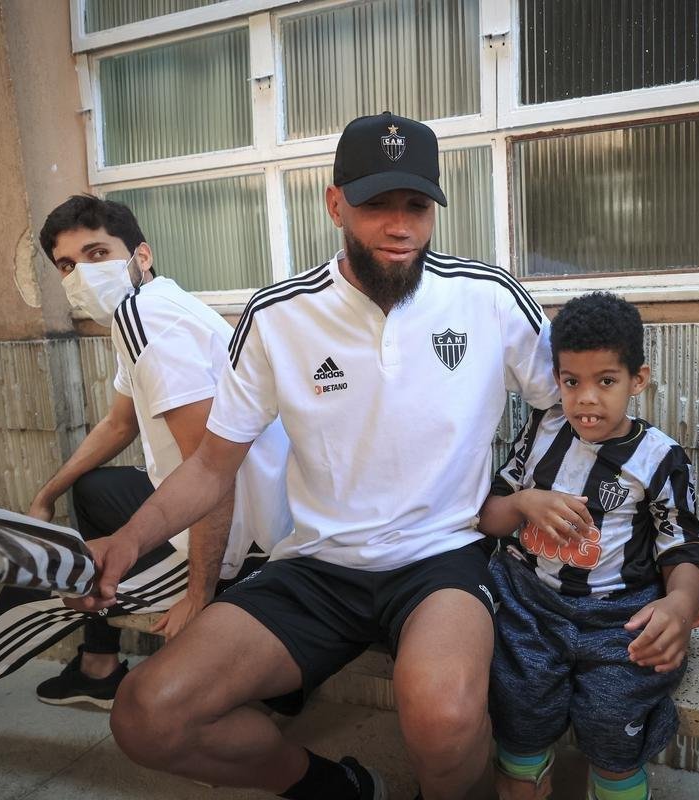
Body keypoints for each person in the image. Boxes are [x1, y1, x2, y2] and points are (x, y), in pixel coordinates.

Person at [69, 112, 560, 800]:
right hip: (317, 565)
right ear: (335, 204)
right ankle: (333, 789)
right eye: (375, 205)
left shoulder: (486, 297)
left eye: (416, 206)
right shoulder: (277, 316)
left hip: (441, 555)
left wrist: (512, 492)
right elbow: (212, 465)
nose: (399, 226)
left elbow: (568, 406)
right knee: (148, 715)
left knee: (443, 717)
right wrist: (127, 540)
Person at [0, 195, 291, 731]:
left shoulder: (147, 317)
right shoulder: (151, 307)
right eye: (67, 265)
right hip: (242, 508)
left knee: (43, 587)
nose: (83, 274)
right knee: (96, 490)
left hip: (243, 543)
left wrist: (201, 594)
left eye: (97, 253)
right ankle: (98, 665)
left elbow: (211, 472)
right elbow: (118, 423)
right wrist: (48, 491)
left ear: (141, 255)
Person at [479, 292, 699, 800]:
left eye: (606, 381)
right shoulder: (542, 428)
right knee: (518, 704)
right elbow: (489, 517)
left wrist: (679, 603)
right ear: (556, 379)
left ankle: (617, 777)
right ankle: (522, 771)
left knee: (612, 718)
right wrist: (525, 504)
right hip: (530, 604)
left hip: (616, 616)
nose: (586, 398)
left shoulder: (659, 458)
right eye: (571, 382)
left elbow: (682, 552)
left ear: (637, 380)